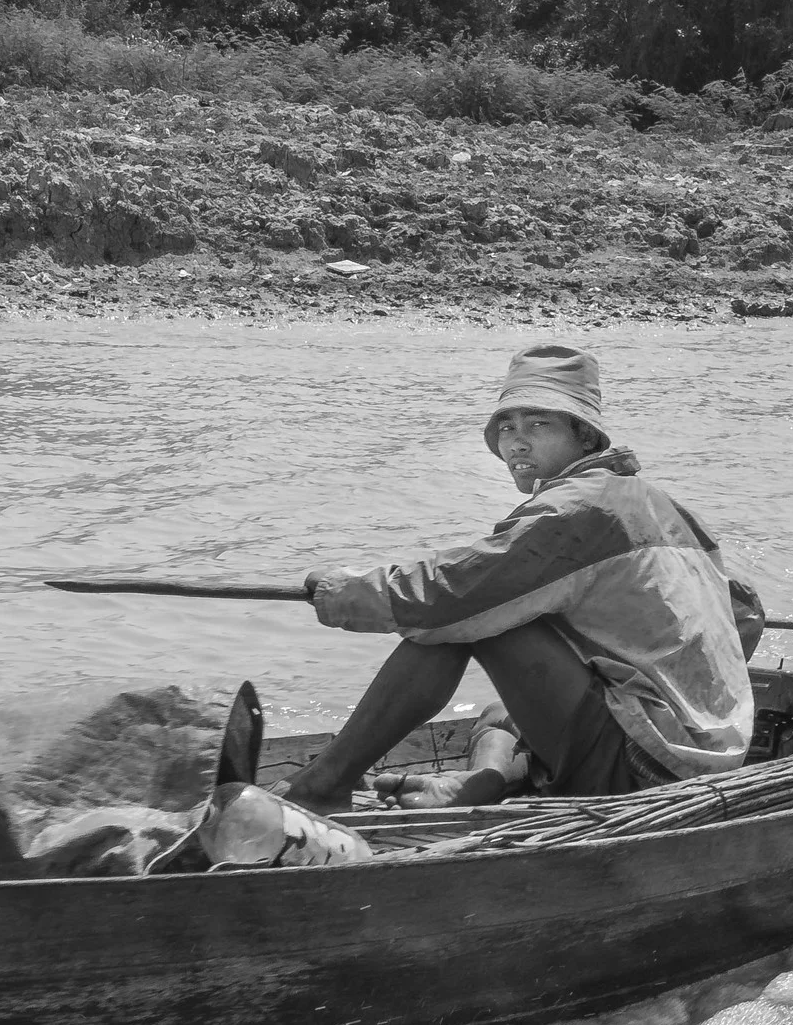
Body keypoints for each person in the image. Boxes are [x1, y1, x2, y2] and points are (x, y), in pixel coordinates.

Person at [276, 344, 757, 814]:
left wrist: (344, 594)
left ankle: (324, 784)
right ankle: (486, 781)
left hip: (652, 770)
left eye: (539, 425)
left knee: (458, 624)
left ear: (586, 437)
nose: (516, 441)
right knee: (495, 713)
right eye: (507, 426)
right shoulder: (664, 507)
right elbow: (745, 614)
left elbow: (454, 595)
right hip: (707, 752)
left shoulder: (579, 509)